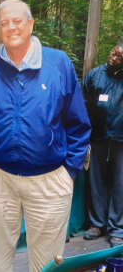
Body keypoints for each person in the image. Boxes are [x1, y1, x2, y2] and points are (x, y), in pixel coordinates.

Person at [0, 0, 91, 272]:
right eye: (4, 23)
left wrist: (67, 171)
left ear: (31, 24)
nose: (11, 27)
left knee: (46, 265)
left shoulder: (58, 64)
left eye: (17, 21)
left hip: (50, 179)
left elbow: (79, 124)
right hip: (0, 178)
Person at [82, 42, 123, 247]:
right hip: (97, 136)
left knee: (120, 184)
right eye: (113, 52)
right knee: (96, 182)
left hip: (120, 139)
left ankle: (117, 228)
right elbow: (82, 102)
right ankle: (96, 223)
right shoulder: (95, 75)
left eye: (119, 56)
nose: (113, 57)